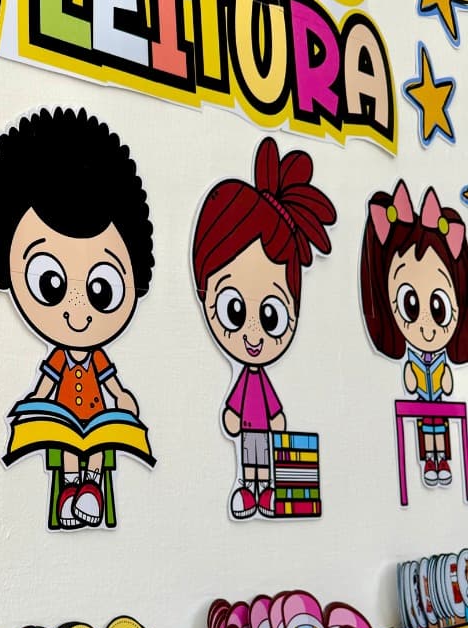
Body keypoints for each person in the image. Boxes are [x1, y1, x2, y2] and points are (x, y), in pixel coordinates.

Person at [0, 108, 155, 529]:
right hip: (61, 419)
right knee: (66, 449)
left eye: (100, 291)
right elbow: (45, 384)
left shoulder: (97, 359)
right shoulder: (60, 357)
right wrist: (31, 404)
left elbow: (112, 384)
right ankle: (72, 489)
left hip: (98, 418)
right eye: (51, 284)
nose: (77, 311)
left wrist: (123, 399)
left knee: (98, 446)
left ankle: (90, 488)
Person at [192, 136, 336, 519]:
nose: (254, 334)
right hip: (249, 429)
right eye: (235, 311)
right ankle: (249, 490)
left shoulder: (257, 379)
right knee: (250, 459)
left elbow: (271, 404)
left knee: (262, 460)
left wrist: (275, 419)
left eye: (271, 317)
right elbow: (237, 402)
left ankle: (264, 491)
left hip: (259, 429)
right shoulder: (245, 378)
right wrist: (233, 416)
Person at [360, 183, 468, 487]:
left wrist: (445, 381)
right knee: (426, 429)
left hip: (440, 401)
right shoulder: (412, 358)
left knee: (439, 429)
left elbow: (447, 382)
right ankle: (429, 458)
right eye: (409, 305)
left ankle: (442, 459)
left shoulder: (441, 359)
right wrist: (412, 376)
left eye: (438, 309)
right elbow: (411, 380)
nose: (426, 327)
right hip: (421, 399)